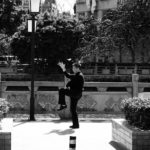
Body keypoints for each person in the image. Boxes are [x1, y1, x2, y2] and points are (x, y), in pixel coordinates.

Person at [57, 61, 84, 129]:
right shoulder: (77, 75)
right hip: (76, 94)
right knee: (73, 110)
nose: (72, 69)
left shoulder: (79, 75)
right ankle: (76, 125)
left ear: (77, 68)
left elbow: (71, 80)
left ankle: (63, 104)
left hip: (75, 93)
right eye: (72, 68)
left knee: (61, 90)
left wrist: (67, 85)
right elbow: (68, 76)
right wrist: (63, 68)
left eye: (73, 68)